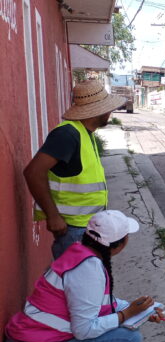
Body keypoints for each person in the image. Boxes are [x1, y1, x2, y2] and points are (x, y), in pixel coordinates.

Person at [4, 210, 164, 342]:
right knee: (129, 339)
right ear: (121, 244)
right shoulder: (87, 270)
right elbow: (83, 330)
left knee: (122, 328)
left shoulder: (80, 253)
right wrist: (126, 314)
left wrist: (140, 311)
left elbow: (97, 303)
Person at [25, 80, 125, 258]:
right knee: (77, 282)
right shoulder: (67, 134)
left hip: (86, 227)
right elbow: (33, 172)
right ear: (99, 110)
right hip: (73, 230)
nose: (110, 112)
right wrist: (53, 216)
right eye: (108, 108)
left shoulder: (85, 133)